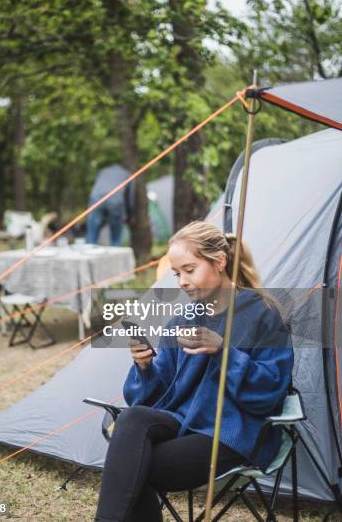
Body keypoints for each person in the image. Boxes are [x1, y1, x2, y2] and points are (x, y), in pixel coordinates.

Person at [94, 221, 293, 522]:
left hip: (232, 430)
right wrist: (145, 366)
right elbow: (156, 394)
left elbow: (269, 392)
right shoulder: (183, 318)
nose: (182, 281)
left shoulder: (261, 314)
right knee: (132, 419)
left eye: (189, 269)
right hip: (183, 420)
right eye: (176, 274)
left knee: (134, 466)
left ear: (220, 262)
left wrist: (223, 350)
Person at [86, 164, 135, 246]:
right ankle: (115, 253)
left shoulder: (103, 171)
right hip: (115, 199)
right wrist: (130, 216)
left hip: (96, 199)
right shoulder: (127, 174)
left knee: (92, 233)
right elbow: (129, 198)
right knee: (116, 235)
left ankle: (88, 254)